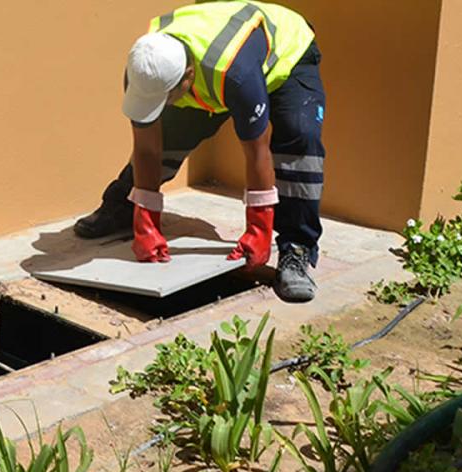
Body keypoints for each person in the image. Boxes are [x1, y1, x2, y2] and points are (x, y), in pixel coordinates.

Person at [74, 1, 326, 303]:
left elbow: (256, 151)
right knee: (169, 137)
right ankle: (122, 207)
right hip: (214, 71)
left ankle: (297, 249)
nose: (161, 106)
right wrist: (146, 215)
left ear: (188, 78)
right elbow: (146, 148)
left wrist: (259, 225)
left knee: (299, 138)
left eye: (166, 98)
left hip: (287, 55)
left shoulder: (236, 74)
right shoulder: (145, 63)